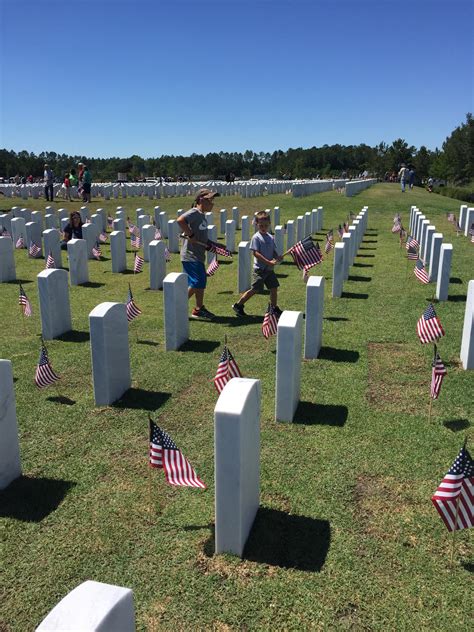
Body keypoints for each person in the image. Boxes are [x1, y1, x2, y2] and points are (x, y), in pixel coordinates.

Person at [177, 187, 220, 320]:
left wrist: (214, 245)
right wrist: (191, 234)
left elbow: (201, 238)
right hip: (191, 255)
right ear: (201, 200)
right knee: (198, 281)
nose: (212, 203)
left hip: (198, 254)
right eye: (210, 200)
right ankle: (176, 306)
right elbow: (180, 220)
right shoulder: (195, 212)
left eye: (213, 200)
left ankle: (199, 308)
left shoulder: (202, 216)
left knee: (200, 282)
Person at [232, 210, 283, 317]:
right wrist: (268, 262)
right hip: (260, 269)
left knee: (274, 288)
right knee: (255, 289)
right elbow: (256, 253)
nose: (263, 227)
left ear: (269, 224)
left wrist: (277, 256)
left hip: (269, 270)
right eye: (261, 225)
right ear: (257, 225)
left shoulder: (270, 237)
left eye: (265, 225)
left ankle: (274, 308)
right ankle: (238, 305)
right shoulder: (256, 237)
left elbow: (273, 250)